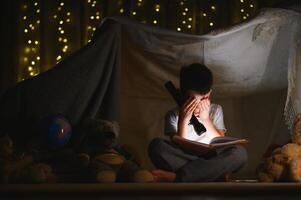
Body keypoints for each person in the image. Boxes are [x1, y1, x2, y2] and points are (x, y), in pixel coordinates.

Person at [148, 63, 248, 182]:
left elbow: (221, 140)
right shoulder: (173, 115)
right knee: (157, 146)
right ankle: (213, 174)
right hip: (185, 156)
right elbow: (179, 144)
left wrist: (206, 120)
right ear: (183, 94)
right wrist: (184, 120)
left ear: (209, 93)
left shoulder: (215, 110)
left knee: (240, 154)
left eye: (203, 98)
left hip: (212, 157)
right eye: (193, 100)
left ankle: (178, 177)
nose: (199, 105)